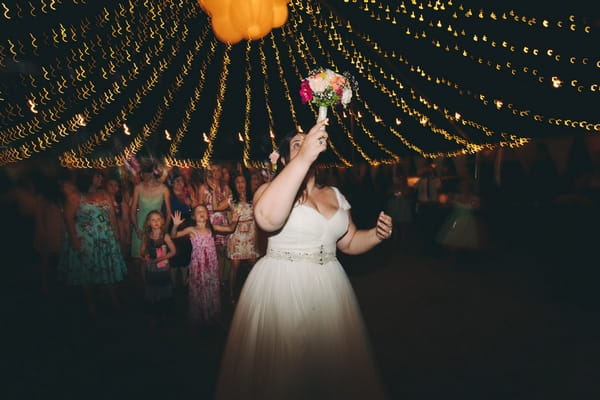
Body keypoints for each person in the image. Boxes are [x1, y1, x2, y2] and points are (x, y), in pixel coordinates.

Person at [214, 119, 393, 399]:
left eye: (308, 142)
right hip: (283, 284)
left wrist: (376, 236)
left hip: (328, 287)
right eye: (297, 144)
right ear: (284, 158)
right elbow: (267, 219)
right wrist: (301, 159)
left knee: (328, 369)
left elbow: (349, 241)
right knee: (285, 369)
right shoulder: (268, 190)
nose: (305, 145)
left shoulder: (334, 194)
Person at [58, 170, 128, 317]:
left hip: (104, 238)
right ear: (88, 178)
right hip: (86, 239)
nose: (100, 179)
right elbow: (68, 219)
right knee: (86, 271)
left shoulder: (105, 194)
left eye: (101, 176)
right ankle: (91, 305)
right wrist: (74, 239)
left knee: (106, 268)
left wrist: (116, 234)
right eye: (97, 176)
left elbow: (112, 216)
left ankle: (114, 301)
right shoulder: (76, 197)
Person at [171, 205, 238, 327]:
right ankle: (199, 316)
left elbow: (230, 228)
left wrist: (234, 220)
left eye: (203, 211)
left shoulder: (212, 228)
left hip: (211, 265)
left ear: (207, 215)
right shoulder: (192, 230)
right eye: (198, 211)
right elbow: (174, 235)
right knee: (199, 288)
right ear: (194, 216)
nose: (201, 213)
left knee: (211, 287)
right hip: (198, 266)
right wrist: (175, 225)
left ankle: (212, 314)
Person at [130, 162, 172, 287]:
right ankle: (145, 286)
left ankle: (158, 284)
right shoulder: (138, 187)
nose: (145, 176)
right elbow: (132, 210)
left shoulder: (164, 189)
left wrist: (165, 229)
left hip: (157, 226)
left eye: (148, 173)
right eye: (143, 174)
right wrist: (137, 228)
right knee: (142, 258)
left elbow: (169, 212)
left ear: (153, 174)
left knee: (158, 255)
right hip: (141, 225)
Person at [226, 173, 259, 303]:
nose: (240, 184)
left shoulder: (254, 198)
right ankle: (231, 293)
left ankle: (256, 291)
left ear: (247, 183)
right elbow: (216, 208)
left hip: (251, 234)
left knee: (254, 264)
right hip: (237, 235)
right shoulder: (231, 200)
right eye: (237, 182)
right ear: (234, 185)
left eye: (242, 181)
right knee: (235, 266)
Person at [140, 210, 176, 326]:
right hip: (151, 268)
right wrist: (144, 255)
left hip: (163, 268)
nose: (156, 222)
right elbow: (142, 250)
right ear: (148, 223)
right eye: (153, 220)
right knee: (153, 289)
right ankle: (154, 315)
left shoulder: (165, 236)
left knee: (163, 289)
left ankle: (164, 313)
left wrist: (159, 259)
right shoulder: (147, 236)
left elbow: (173, 252)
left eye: (158, 219)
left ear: (162, 222)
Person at [167, 172, 193, 289]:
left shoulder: (187, 195)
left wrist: (190, 205)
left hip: (186, 229)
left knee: (185, 258)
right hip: (173, 227)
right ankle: (173, 285)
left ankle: (183, 284)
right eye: (176, 181)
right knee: (173, 258)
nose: (179, 183)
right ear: (172, 183)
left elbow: (192, 214)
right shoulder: (169, 196)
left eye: (181, 181)